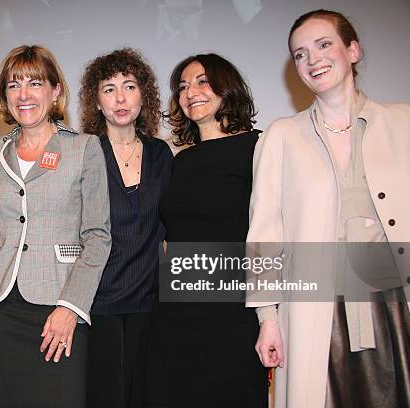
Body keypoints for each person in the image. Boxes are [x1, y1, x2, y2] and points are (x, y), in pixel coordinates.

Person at [248, 9, 410, 408]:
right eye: (300, 54)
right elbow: (266, 234)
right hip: (317, 314)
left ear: (352, 50)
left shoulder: (403, 122)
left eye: (323, 45)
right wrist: (267, 319)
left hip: (395, 305)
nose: (313, 59)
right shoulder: (281, 136)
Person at [0, 44, 111, 408]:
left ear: (55, 91)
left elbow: (98, 236)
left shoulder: (84, 148)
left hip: (58, 304)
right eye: (13, 85)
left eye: (35, 83)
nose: (23, 94)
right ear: (4, 96)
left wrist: (71, 308)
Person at [146, 53, 268, 407]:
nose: (191, 92)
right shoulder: (180, 159)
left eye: (202, 81)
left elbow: (273, 233)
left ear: (226, 86)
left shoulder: (259, 148)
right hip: (176, 312)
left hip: (234, 313)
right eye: (183, 86)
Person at [78, 48, 173, 408]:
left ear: (142, 96)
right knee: (102, 397)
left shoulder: (161, 154)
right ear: (96, 101)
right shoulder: (85, 153)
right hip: (96, 302)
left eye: (129, 86)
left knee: (144, 396)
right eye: (109, 88)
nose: (120, 98)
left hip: (150, 303)